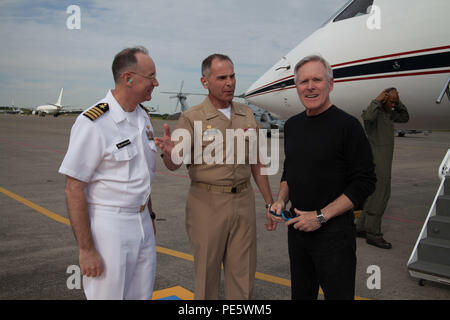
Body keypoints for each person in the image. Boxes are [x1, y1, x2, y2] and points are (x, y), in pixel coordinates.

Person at [154, 53, 276, 300]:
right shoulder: (192, 117)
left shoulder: (247, 115)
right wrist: (168, 153)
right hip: (206, 204)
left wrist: (269, 202)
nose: (229, 82)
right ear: (205, 82)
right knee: (207, 278)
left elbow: (258, 162)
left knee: (243, 276)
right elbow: (174, 163)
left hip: (243, 201)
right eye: (222, 77)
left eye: (232, 76)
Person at [270, 55, 376, 300]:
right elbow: (290, 170)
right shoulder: (293, 125)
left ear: (331, 83)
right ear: (296, 87)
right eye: (303, 81)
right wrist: (280, 201)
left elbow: (365, 181)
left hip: (334, 234)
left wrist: (320, 216)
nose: (310, 86)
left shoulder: (348, 126)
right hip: (297, 230)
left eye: (317, 79)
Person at [59, 46, 159, 299]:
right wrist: (86, 249)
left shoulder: (143, 118)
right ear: (128, 78)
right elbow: (74, 187)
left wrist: (149, 218)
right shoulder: (94, 122)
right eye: (150, 77)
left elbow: (142, 176)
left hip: (143, 224)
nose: (156, 83)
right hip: (109, 227)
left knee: (141, 296)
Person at [356, 88, 409, 249]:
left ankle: (361, 227)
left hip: (384, 161)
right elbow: (367, 116)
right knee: (381, 196)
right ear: (383, 100)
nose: (393, 105)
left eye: (395, 102)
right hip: (378, 163)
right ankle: (373, 234)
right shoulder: (375, 114)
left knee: (373, 197)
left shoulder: (388, 114)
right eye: (391, 101)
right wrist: (377, 101)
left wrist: (399, 103)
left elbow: (405, 117)